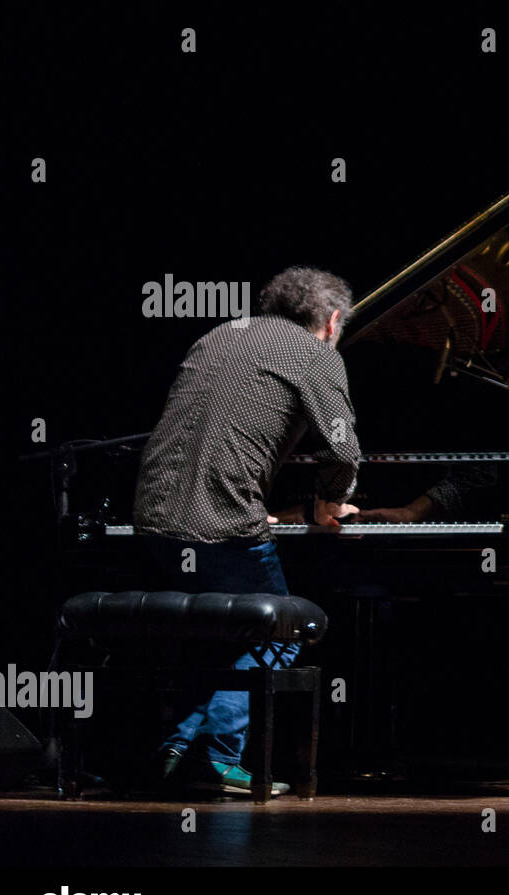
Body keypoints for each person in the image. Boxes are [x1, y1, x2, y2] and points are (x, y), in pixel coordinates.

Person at [133, 266, 362, 794]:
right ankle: (213, 759)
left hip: (152, 517)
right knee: (284, 630)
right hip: (220, 523)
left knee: (216, 638)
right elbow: (344, 450)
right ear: (331, 321)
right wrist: (330, 501)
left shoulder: (216, 334)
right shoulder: (315, 354)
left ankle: (178, 750)